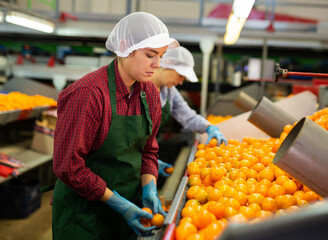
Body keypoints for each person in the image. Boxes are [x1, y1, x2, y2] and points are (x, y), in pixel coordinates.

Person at [52, 12, 179, 240]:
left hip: (127, 215)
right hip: (84, 218)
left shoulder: (149, 92)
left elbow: (148, 148)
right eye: (150, 55)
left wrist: (149, 185)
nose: (157, 64)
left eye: (161, 56)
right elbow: (69, 166)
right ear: (124, 47)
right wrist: (119, 204)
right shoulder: (88, 94)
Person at [150, 46, 228, 177]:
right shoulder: (139, 86)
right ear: (167, 65)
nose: (180, 82)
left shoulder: (169, 91)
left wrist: (209, 127)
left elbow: (188, 116)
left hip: (148, 152)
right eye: (180, 76)